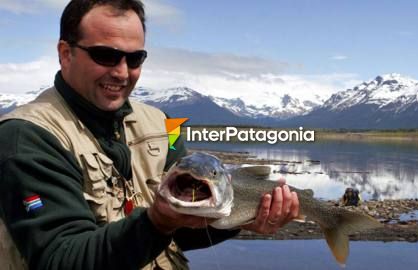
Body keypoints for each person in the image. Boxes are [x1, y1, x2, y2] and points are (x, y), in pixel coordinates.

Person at [0, 1, 300, 269]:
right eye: (106, 55)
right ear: (65, 53)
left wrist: (243, 219)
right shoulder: (26, 137)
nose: (121, 72)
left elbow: (181, 233)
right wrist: (157, 221)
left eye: (135, 59)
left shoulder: (165, 125)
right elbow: (61, 258)